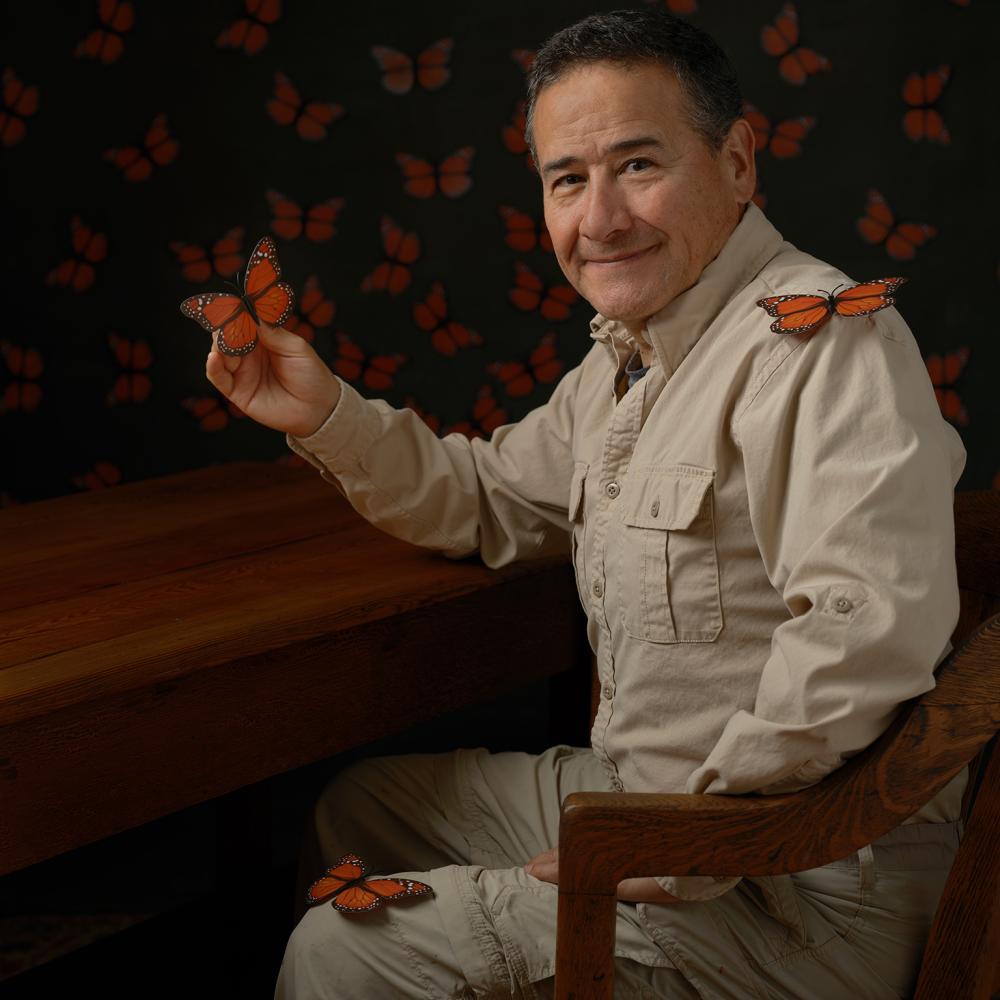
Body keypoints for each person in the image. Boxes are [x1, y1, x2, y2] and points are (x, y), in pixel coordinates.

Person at [205, 10, 967, 999]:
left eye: (638, 165)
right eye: (568, 179)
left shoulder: (820, 344)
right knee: (366, 811)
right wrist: (325, 415)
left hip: (804, 886)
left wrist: (667, 843)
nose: (599, 219)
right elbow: (481, 499)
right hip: (651, 800)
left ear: (736, 160)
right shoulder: (627, 363)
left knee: (347, 946)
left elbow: (861, 636)